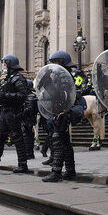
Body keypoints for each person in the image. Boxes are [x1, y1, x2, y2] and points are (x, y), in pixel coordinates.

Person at [42, 51, 86, 182]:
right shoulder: (58, 77)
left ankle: (56, 172)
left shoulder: (65, 78)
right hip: (58, 111)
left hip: (63, 112)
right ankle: (70, 171)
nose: (54, 65)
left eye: (56, 62)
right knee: (65, 142)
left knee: (57, 141)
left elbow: (62, 96)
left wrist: (49, 86)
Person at [0, 55, 29, 172]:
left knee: (17, 137)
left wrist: (7, 96)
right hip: (4, 111)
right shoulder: (7, 79)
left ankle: (22, 164)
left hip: (13, 112)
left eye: (5, 64)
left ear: (10, 64)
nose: (3, 66)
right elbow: (1, 95)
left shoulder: (18, 78)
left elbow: (23, 95)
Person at [22, 79, 38, 160]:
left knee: (27, 137)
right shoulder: (28, 96)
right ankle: (29, 153)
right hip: (28, 118)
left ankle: (29, 153)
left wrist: (21, 111)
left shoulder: (31, 97)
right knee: (28, 136)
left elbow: (30, 108)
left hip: (28, 119)